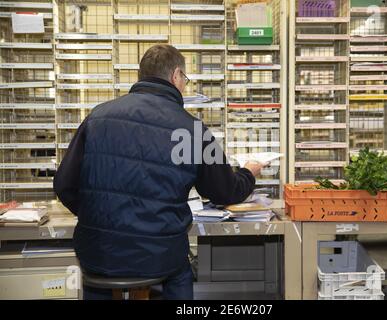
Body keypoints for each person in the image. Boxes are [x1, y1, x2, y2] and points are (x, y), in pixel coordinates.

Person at [53, 44, 266, 300]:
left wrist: (103, 216)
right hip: (159, 254)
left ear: (141, 76)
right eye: (185, 79)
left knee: (97, 276)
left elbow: (64, 184)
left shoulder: (98, 117)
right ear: (176, 75)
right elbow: (224, 191)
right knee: (178, 273)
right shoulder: (190, 129)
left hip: (99, 250)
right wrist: (249, 172)